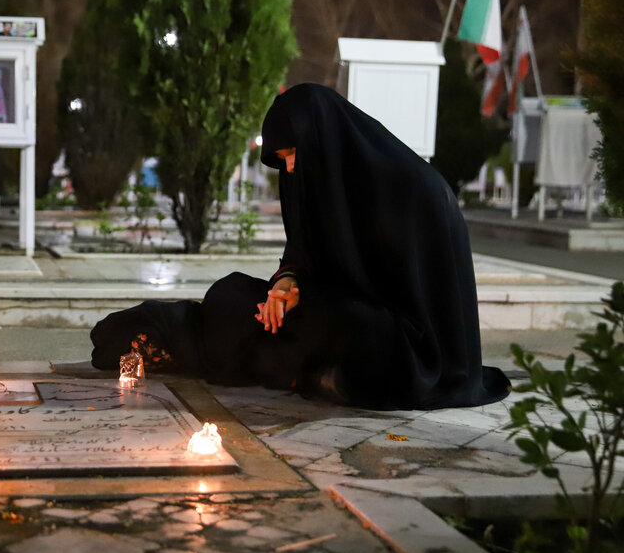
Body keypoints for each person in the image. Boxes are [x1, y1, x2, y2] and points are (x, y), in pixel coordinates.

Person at [90, 83, 510, 410]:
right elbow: (304, 254)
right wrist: (287, 285)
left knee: (354, 330)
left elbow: (417, 304)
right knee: (232, 296)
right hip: (327, 314)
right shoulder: (320, 184)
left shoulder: (418, 192)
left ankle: (311, 370)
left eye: (294, 156)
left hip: (403, 341)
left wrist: (313, 300)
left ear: (324, 142)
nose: (290, 170)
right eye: (283, 161)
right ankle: (314, 373)